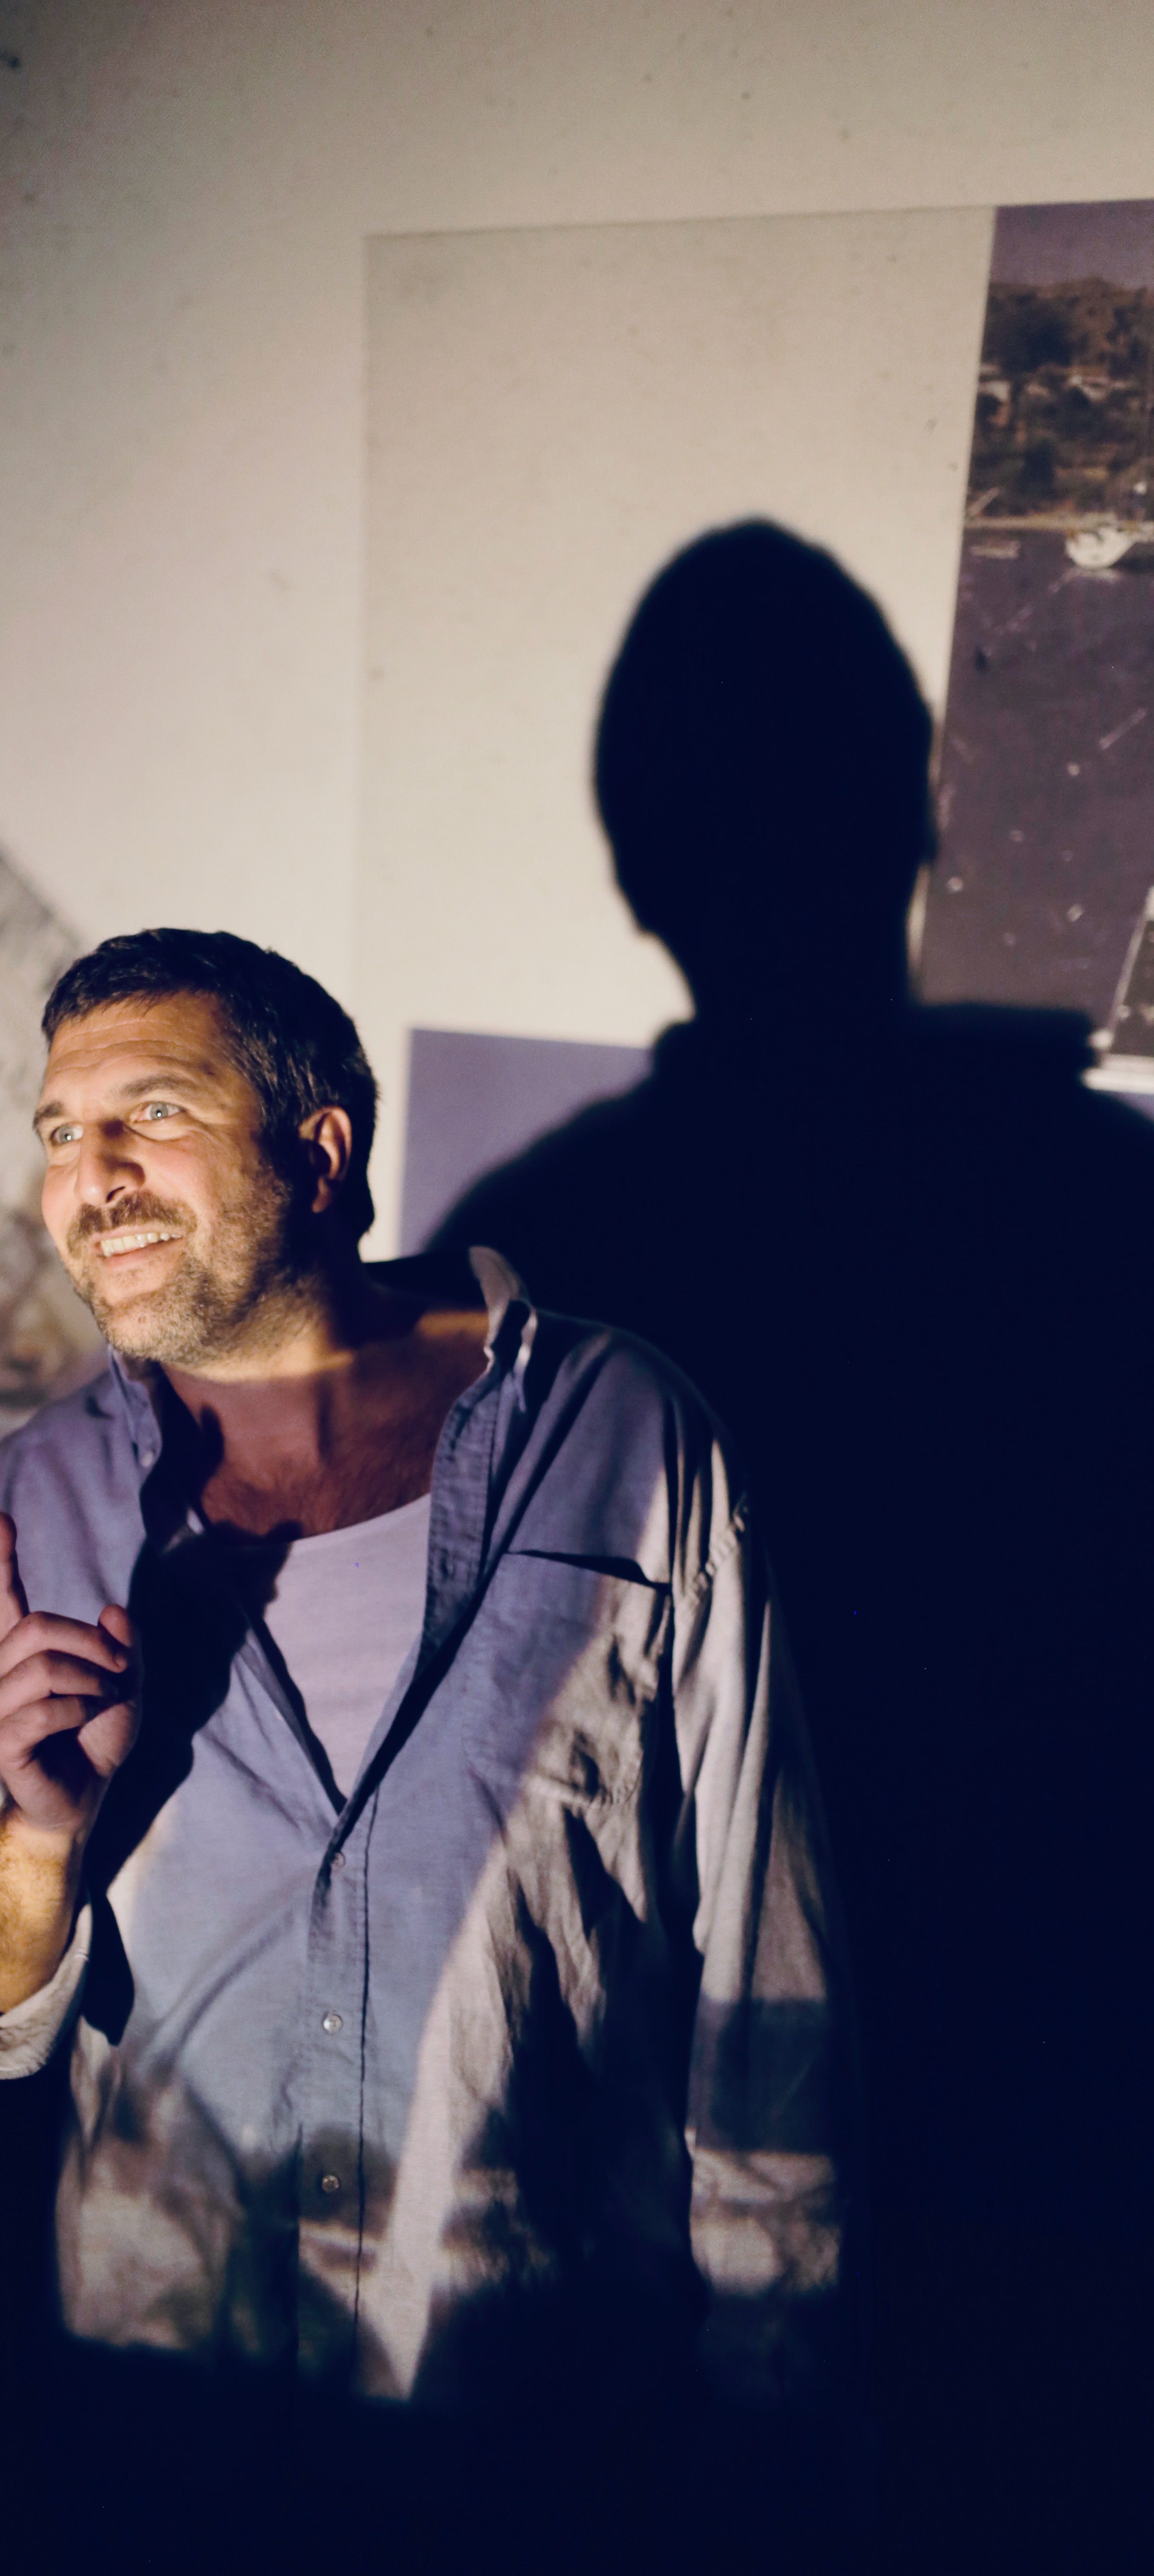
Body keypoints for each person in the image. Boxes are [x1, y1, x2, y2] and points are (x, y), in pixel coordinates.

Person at [0, 926, 861, 2558]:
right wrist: (32, 1843)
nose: (91, 1178)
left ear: (318, 1152)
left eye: (150, 1114)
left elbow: (767, 1961)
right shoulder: (28, 1510)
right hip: (160, 2448)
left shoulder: (628, 1442)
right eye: (59, 1133)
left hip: (542, 2452)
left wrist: (776, 2403)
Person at [428, 522, 1154, 2568]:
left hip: (660, 2268)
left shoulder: (533, 1273)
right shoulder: (1105, 1216)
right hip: (1067, 2193)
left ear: (634, 868)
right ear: (917, 807)